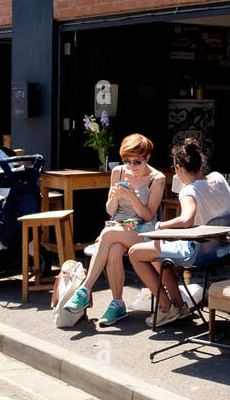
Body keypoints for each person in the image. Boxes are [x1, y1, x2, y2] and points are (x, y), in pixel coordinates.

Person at [61, 133, 165, 327]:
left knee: (108, 235)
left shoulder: (156, 178)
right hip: (118, 226)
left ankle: (85, 290)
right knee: (114, 248)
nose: (131, 167)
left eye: (137, 162)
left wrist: (133, 197)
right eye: (127, 161)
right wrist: (116, 196)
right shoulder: (117, 171)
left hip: (143, 229)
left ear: (147, 158)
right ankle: (117, 303)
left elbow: (149, 215)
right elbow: (110, 210)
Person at [129, 140, 230, 328]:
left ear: (177, 168)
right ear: (201, 164)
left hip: (199, 251)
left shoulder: (188, 191)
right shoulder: (219, 178)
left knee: (135, 252)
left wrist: (160, 226)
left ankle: (166, 306)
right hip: (223, 248)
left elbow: (186, 219)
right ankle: (179, 305)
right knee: (156, 254)